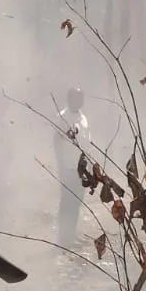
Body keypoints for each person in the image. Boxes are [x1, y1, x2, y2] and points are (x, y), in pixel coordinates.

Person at [54, 88, 89, 247]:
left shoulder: (83, 118)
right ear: (69, 99)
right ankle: (64, 238)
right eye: (75, 98)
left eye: (80, 98)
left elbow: (86, 140)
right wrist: (62, 164)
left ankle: (72, 235)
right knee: (67, 202)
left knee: (76, 202)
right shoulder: (62, 117)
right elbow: (57, 141)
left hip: (81, 168)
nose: (78, 101)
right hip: (68, 167)